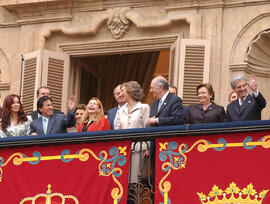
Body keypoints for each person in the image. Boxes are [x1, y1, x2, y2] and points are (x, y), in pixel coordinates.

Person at [114, 81, 150, 183]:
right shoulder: (120, 111)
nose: (120, 94)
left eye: (122, 91)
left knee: (136, 181)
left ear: (130, 91)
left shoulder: (144, 107)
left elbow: (147, 129)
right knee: (122, 181)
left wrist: (148, 148)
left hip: (139, 149)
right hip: (123, 149)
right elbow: (116, 130)